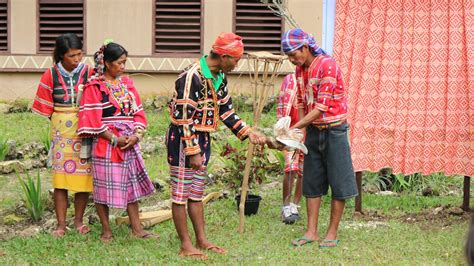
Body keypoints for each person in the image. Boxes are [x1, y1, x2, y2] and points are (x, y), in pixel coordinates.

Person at [166, 32, 266, 260]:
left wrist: (247, 131)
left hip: (203, 138)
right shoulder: (192, 77)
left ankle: (201, 239)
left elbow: (226, 110)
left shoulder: (219, 76)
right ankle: (185, 244)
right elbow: (183, 118)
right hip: (183, 140)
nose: (236, 65)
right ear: (222, 56)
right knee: (181, 194)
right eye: (235, 60)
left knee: (196, 193)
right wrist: (193, 152)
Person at [281, 28, 358, 248]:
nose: (292, 60)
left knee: (339, 181)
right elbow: (302, 105)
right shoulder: (299, 70)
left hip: (335, 130)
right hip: (313, 131)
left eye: (294, 54)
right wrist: (300, 134)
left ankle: (331, 233)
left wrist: (292, 129)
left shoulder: (327, 65)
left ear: (305, 48)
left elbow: (321, 108)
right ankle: (311, 231)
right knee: (312, 181)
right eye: (289, 57)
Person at [77, 41, 157, 242]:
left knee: (131, 185)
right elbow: (92, 120)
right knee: (103, 185)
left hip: (129, 142)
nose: (123, 67)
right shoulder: (94, 87)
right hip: (106, 143)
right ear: (106, 63)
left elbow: (138, 113)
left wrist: (137, 135)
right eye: (119, 63)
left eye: (124, 62)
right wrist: (114, 139)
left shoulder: (127, 85)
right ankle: (106, 230)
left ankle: (137, 228)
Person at [32, 33, 93, 237]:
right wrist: (64, 121)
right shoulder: (50, 74)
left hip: (84, 129)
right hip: (61, 130)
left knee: (84, 178)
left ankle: (78, 221)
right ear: (61, 56)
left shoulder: (88, 72)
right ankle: (60, 224)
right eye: (71, 56)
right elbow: (46, 107)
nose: (77, 59)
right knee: (61, 180)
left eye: (79, 54)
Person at [276, 74, 303, 224]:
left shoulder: (314, 80)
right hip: (290, 130)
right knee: (290, 168)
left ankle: (295, 205)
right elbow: (281, 106)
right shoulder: (290, 79)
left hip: (307, 130)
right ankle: (286, 206)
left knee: (303, 170)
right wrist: (282, 131)